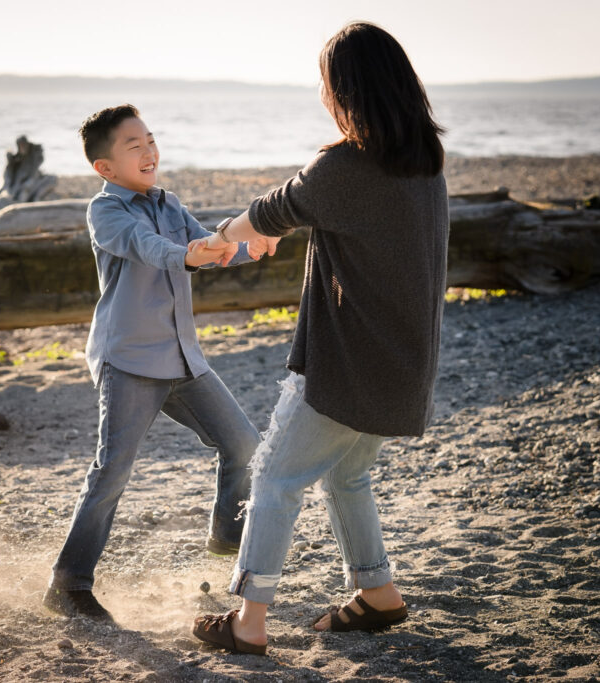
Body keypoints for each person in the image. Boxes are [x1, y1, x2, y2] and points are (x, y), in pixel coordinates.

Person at [190, 22, 449, 656]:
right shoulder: (426, 163)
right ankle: (378, 594)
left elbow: (272, 208)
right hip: (405, 365)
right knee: (348, 477)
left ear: (346, 90)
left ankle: (248, 622)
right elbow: (311, 214)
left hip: (347, 367)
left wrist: (224, 235)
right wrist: (278, 224)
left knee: (276, 476)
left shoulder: (341, 168)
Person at [44, 104, 264, 622]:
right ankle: (67, 584)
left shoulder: (170, 203)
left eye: (150, 140)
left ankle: (226, 540)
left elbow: (210, 247)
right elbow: (151, 248)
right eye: (133, 146)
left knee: (244, 445)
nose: (148, 152)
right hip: (130, 362)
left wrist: (251, 245)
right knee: (112, 472)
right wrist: (188, 253)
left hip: (184, 358)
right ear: (105, 167)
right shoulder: (106, 213)